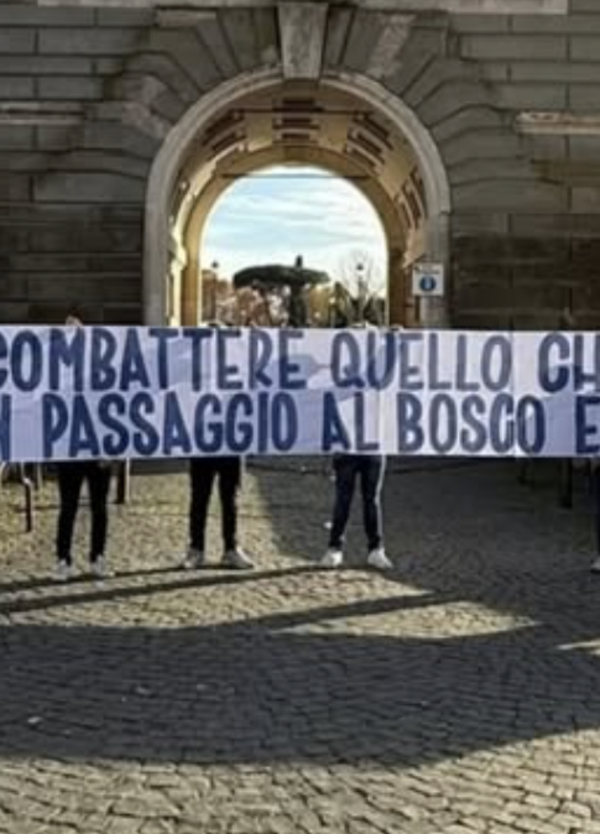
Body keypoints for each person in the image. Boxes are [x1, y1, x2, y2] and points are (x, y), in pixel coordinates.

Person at [54, 312, 113, 581]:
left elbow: (112, 408)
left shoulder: (102, 371)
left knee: (99, 507)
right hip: (69, 448)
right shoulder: (56, 371)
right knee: (68, 506)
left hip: (98, 448)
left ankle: (97, 557)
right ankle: (62, 559)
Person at [320, 453, 393, 570]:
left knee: (372, 500)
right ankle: (335, 548)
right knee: (344, 499)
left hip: (373, 451)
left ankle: (376, 549)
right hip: (347, 451)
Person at [181, 455, 254, 570]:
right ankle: (196, 549)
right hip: (202, 453)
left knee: (230, 501)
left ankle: (231, 549)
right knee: (199, 500)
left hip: (231, 454)